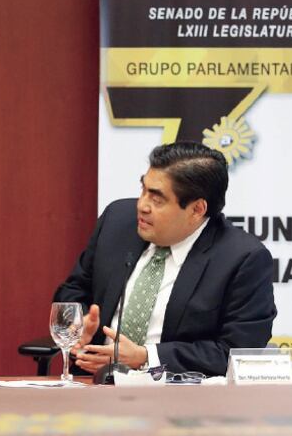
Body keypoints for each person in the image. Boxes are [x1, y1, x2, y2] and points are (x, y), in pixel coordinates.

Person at [55, 142, 276, 376]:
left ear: (197, 209)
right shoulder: (116, 222)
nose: (142, 205)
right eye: (143, 190)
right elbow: (73, 291)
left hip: (179, 397)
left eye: (157, 199)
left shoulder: (243, 259)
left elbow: (234, 352)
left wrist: (145, 357)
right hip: (91, 386)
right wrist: (76, 327)